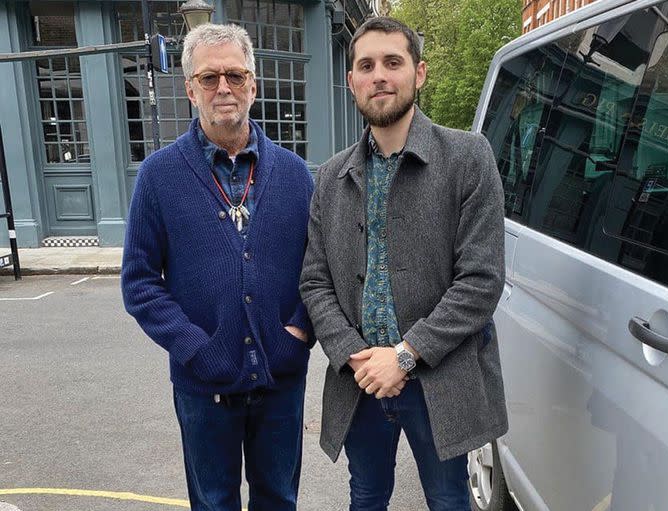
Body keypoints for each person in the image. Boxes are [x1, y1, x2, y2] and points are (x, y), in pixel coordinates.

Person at [300, 16, 507, 511]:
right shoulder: (330, 178)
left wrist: (406, 355)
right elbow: (314, 282)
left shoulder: (467, 158)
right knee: (366, 498)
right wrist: (356, 355)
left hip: (439, 377)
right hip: (362, 380)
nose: (379, 76)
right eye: (366, 65)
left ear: (420, 73)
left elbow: (480, 282)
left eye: (393, 62)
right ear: (351, 81)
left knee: (448, 500)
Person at [121, 23, 313, 511]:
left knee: (279, 499)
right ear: (190, 90)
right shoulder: (158, 176)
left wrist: (298, 334)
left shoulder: (294, 175)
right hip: (203, 388)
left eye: (234, 75)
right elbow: (140, 283)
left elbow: (323, 269)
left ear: (253, 84)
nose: (223, 87)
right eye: (209, 78)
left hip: (280, 382)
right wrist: (196, 349)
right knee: (212, 503)